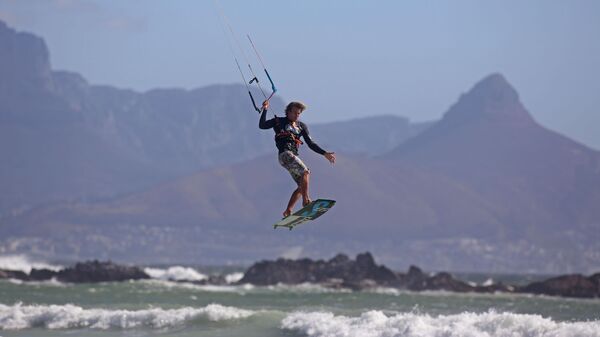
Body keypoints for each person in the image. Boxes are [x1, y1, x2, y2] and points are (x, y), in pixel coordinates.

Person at [259, 100, 335, 217]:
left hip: (290, 158)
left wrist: (324, 153)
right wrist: (265, 109)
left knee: (302, 186)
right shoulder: (279, 121)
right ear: (288, 112)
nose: (296, 115)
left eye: (299, 113)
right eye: (294, 112)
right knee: (305, 172)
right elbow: (262, 125)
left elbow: (310, 143)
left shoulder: (301, 127)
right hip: (285, 154)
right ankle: (306, 201)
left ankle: (288, 210)